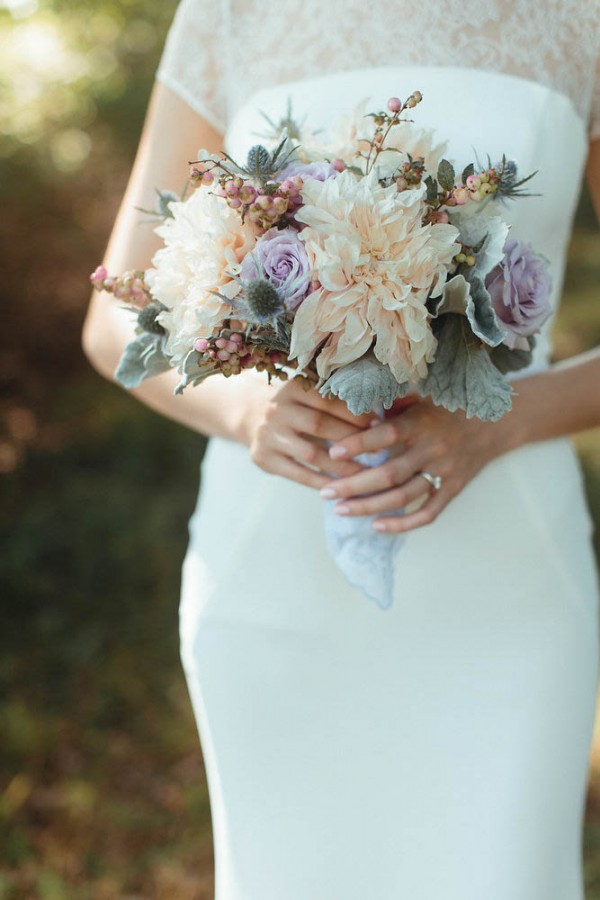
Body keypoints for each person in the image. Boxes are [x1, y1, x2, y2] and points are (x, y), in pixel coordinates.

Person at [83, 1, 600, 897]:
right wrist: (251, 411)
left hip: (506, 579)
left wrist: (500, 416)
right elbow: (112, 316)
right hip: (274, 572)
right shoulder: (226, 14)